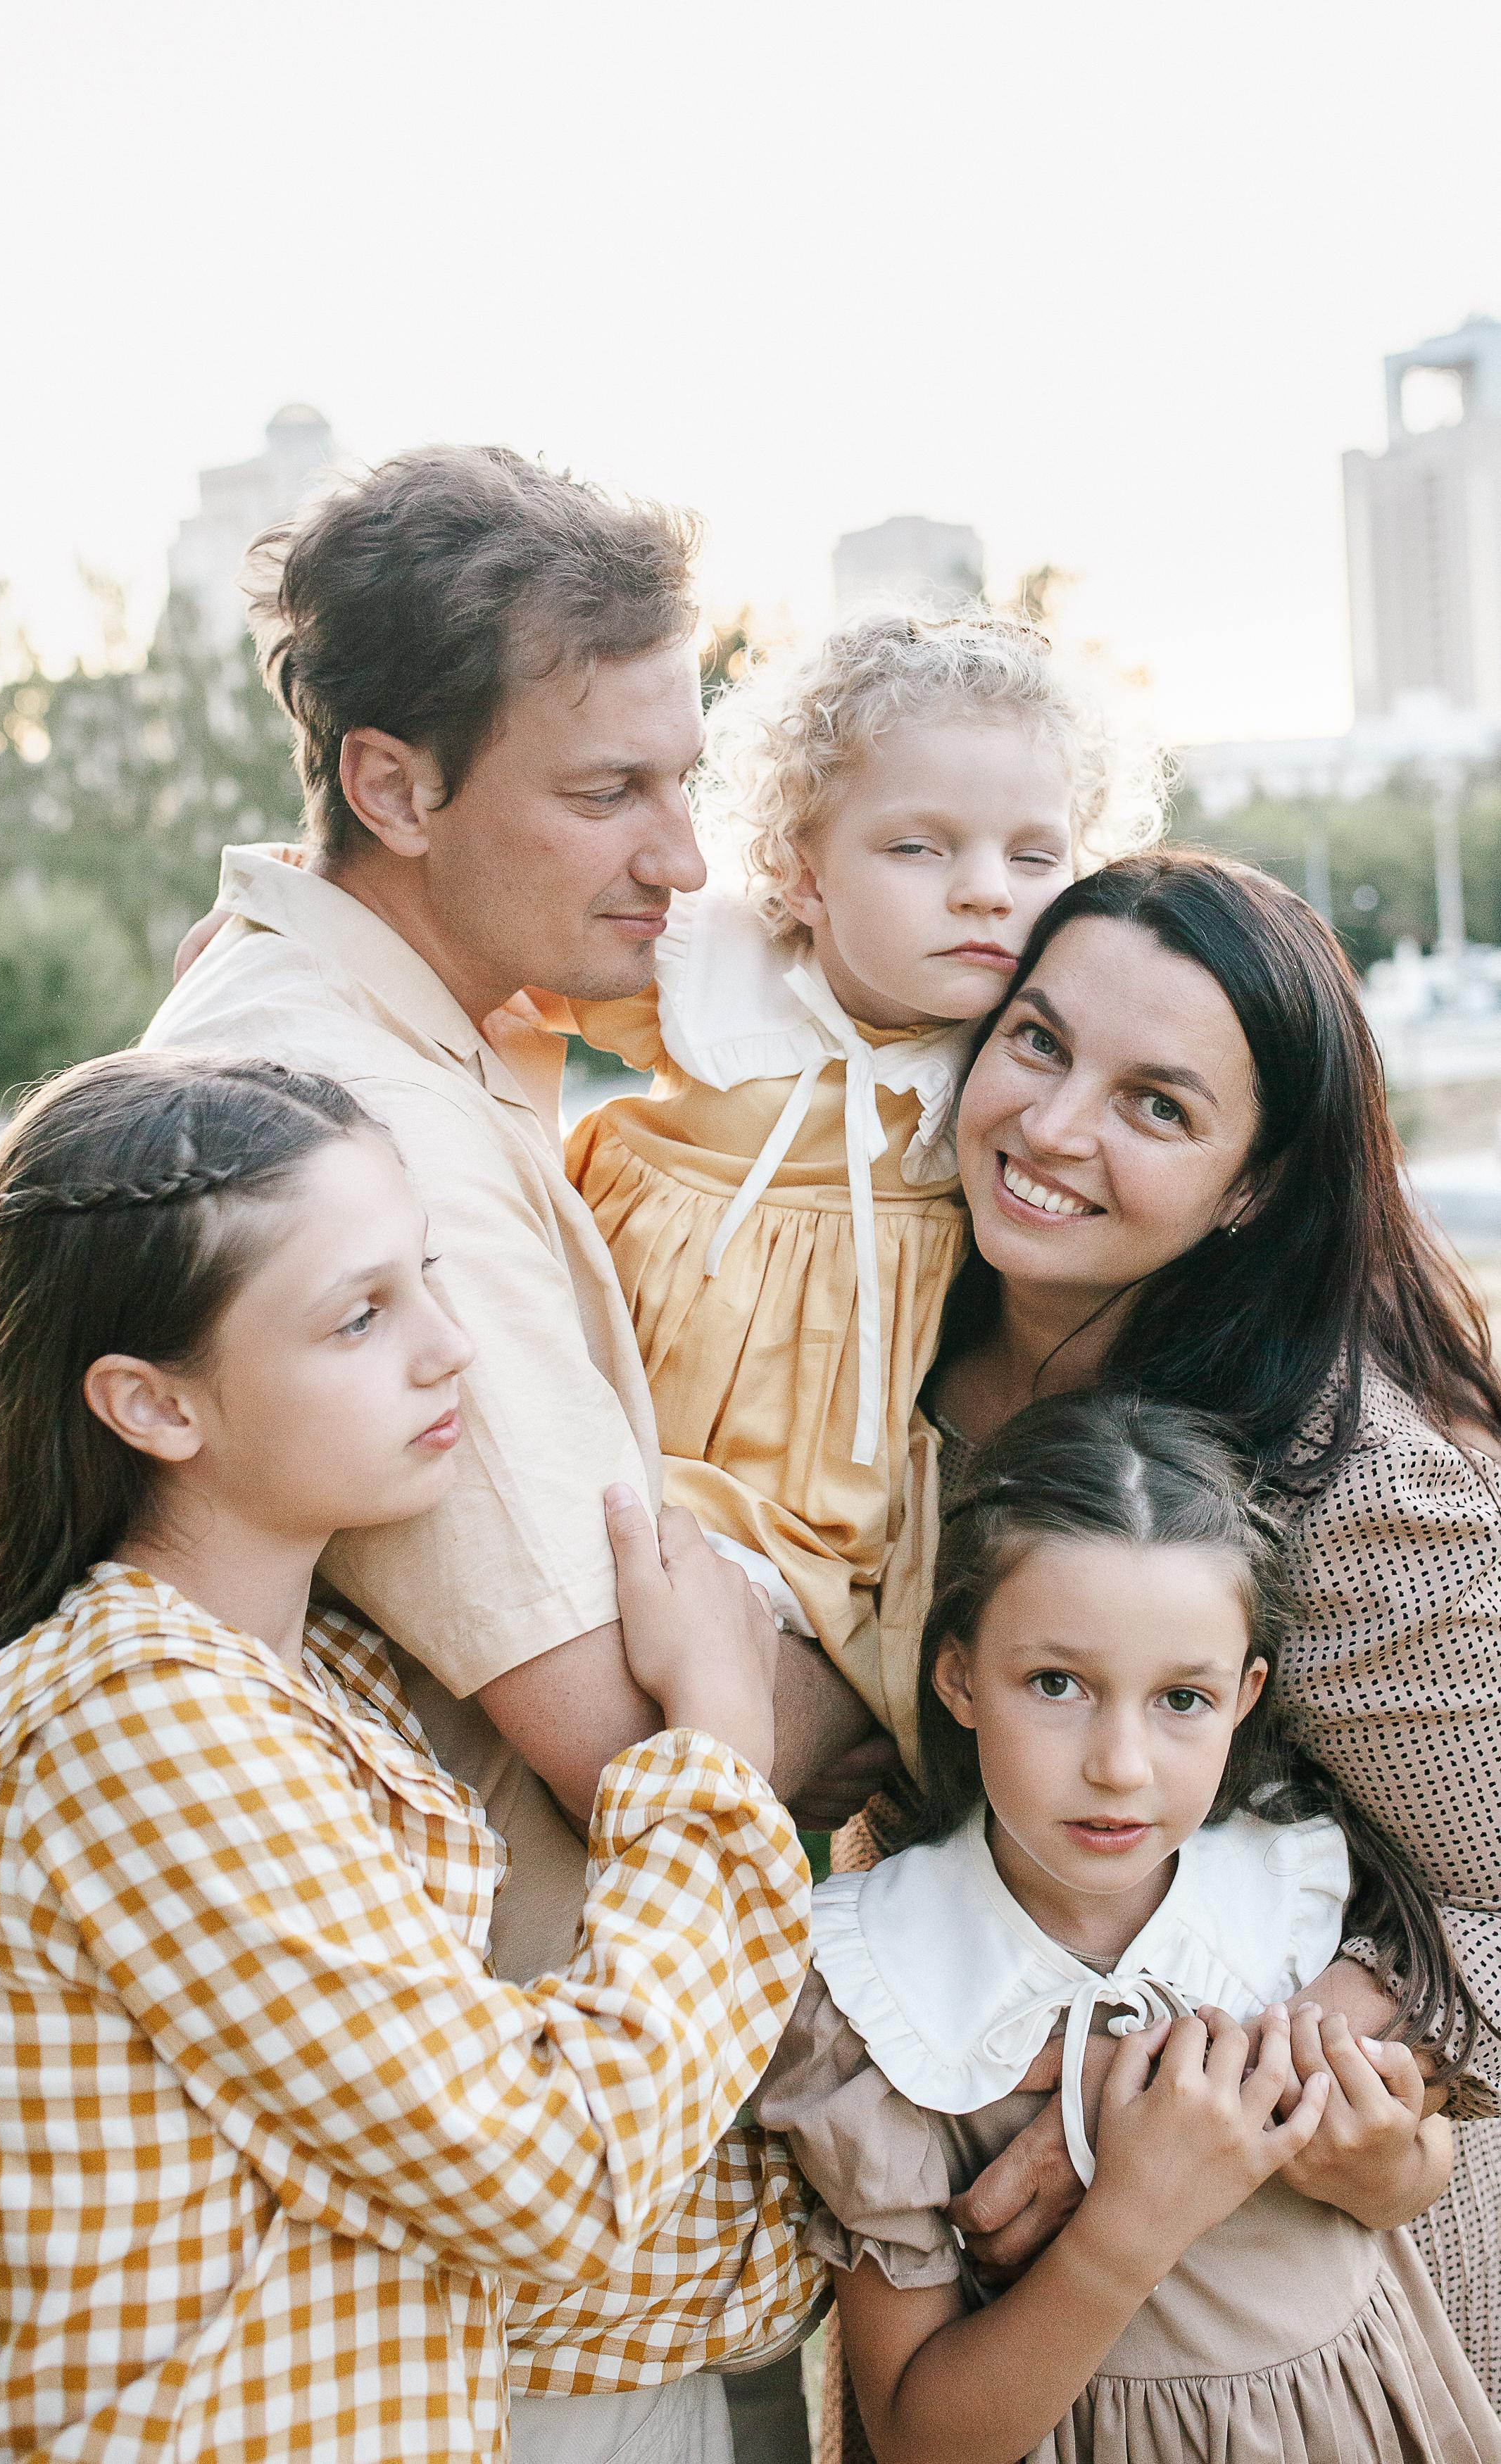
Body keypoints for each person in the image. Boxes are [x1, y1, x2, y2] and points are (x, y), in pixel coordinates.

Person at [146, 444, 865, 2459]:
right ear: (392, 784)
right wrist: (981, 1670)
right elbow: (633, 1730)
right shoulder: (353, 1116)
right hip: (530, 2242)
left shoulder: (380, 1027)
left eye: (685, 778)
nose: (688, 858)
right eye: (604, 790)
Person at [0, 1050, 824, 2464]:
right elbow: (542, 2170)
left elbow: (401, 2246)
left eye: (429, 1275)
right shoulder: (136, 1733)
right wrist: (719, 1764)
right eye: (361, 1316)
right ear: (156, 1405)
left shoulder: (316, 1682)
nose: (450, 1346)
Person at [903, 851, 1501, 2398]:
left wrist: (1175, 2080)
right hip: (998, 2294)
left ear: (1252, 1187)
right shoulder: (892, 1335)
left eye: (1157, 1105)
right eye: (1037, 1042)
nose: (1049, 1128)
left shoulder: (1341, 1479)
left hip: (1316, 2297)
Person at [761, 1392, 1500, 2464]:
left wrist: (1377, 2164)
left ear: (1246, 1695)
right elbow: (920, 2437)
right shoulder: (882, 1989)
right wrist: (1126, 2228)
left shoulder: (1297, 1882)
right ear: (958, 1674)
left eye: (1180, 1700)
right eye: (1055, 1684)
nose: (1119, 1764)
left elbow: (1404, 2183)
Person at [565, 608, 1161, 1749]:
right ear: (801, 875)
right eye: (917, 849)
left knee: (717, 1713)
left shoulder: (1017, 1076)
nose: (987, 892)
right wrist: (321, 917)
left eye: (1032, 856)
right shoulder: (710, 975)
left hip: (817, 1525)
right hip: (612, 1417)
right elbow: (488, 962)